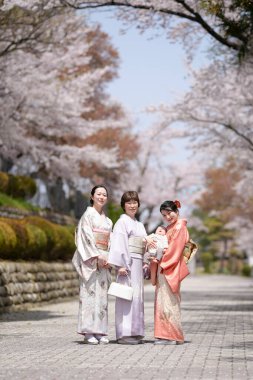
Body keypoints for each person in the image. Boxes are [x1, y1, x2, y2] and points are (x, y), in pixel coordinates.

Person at [108, 191, 155, 345]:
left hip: (138, 262)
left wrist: (147, 260)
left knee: (137, 297)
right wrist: (120, 264)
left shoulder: (139, 225)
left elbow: (145, 245)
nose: (132, 205)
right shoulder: (122, 222)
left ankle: (135, 331)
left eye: (135, 202)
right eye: (129, 202)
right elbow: (118, 243)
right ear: (123, 205)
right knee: (126, 297)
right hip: (127, 264)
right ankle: (124, 333)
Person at [72, 185, 113, 345]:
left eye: (104, 194)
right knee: (89, 295)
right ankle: (89, 331)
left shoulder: (108, 221)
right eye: (99, 194)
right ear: (92, 196)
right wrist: (96, 256)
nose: (102, 197)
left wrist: (108, 257)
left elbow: (110, 241)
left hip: (104, 260)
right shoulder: (87, 215)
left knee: (102, 297)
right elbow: (86, 238)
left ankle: (100, 330)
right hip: (91, 260)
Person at [150, 200, 189, 345]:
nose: (167, 217)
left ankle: (171, 335)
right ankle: (166, 335)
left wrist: (162, 260)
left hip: (169, 267)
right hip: (164, 267)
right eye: (164, 215)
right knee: (163, 300)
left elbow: (175, 250)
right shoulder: (170, 227)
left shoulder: (179, 227)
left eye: (169, 213)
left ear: (177, 211)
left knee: (169, 301)